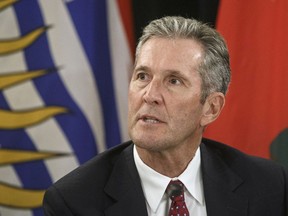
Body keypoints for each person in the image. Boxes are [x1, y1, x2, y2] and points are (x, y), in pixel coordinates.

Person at [43, 16, 288, 216]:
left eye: (173, 81)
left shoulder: (269, 187)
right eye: (142, 76)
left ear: (211, 108)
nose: (150, 95)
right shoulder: (73, 202)